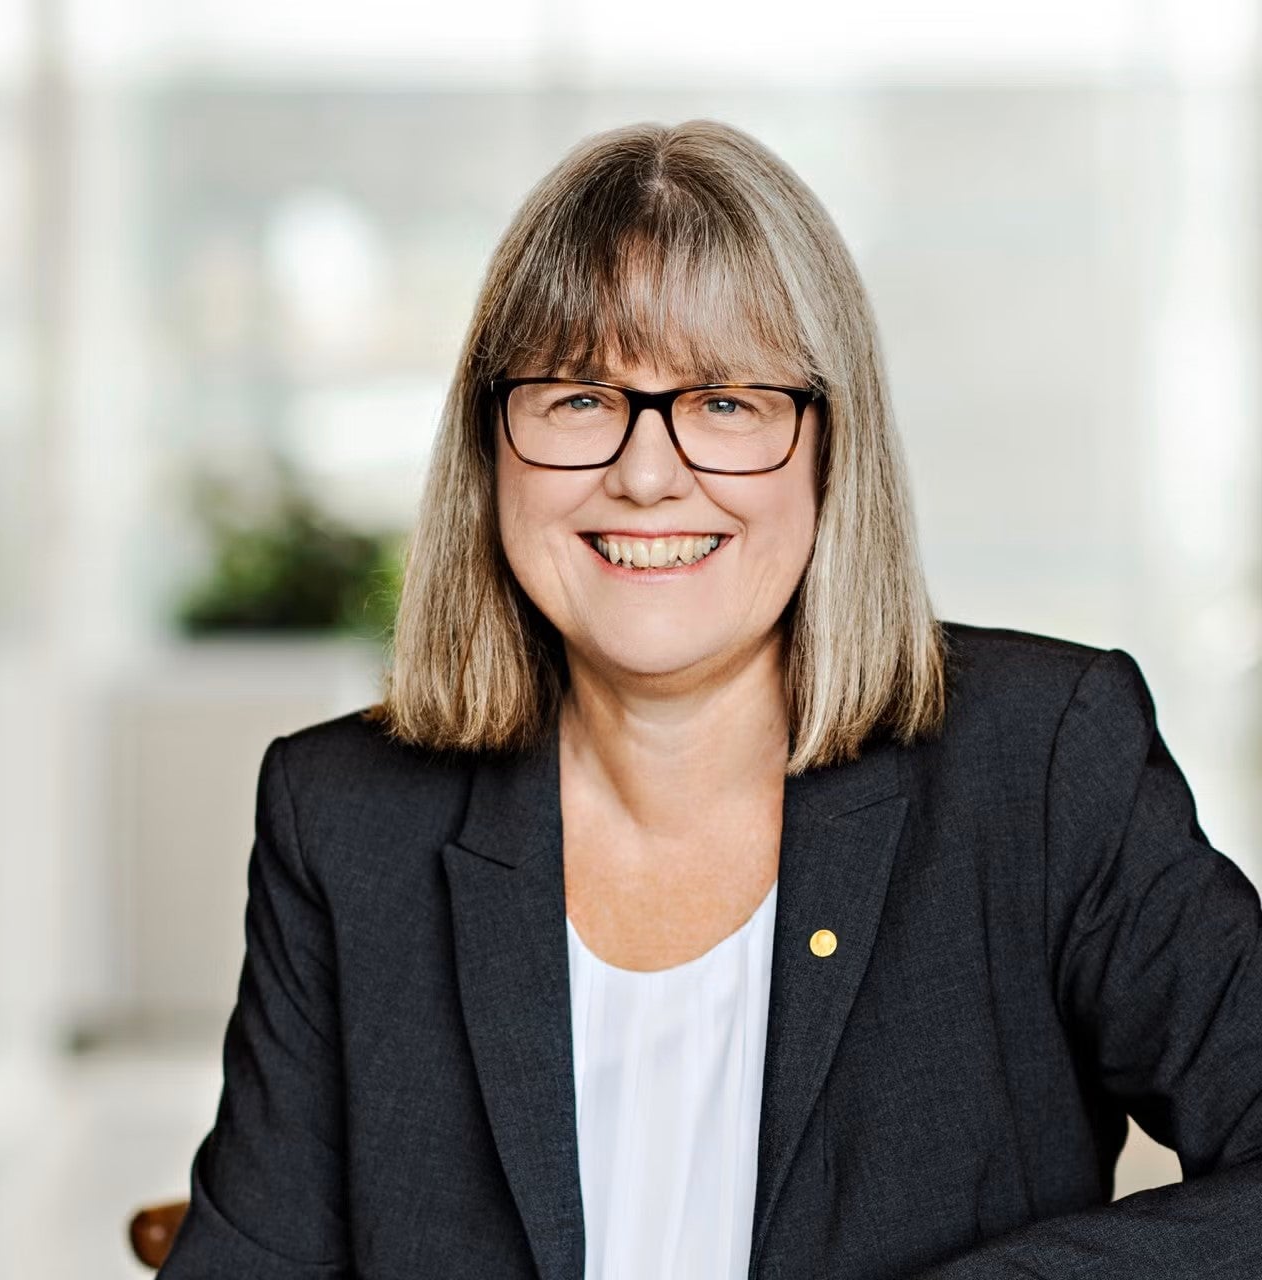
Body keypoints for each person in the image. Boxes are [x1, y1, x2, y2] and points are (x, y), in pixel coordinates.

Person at [157, 120, 1262, 1279]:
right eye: (581, 396)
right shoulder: (341, 814)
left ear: (830, 450)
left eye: (727, 402)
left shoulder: (1036, 760)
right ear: (491, 447)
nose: (644, 473)